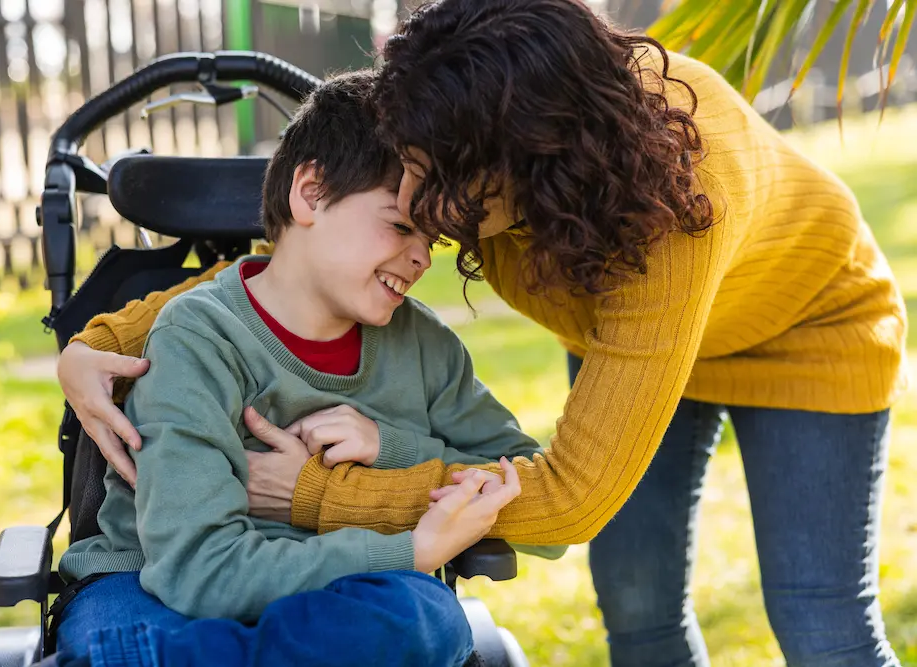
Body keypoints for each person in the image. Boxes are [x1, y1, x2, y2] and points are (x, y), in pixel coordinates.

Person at [58, 1, 906, 665]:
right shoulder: (477, 169)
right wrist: (97, 339)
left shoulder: (667, 215)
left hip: (806, 332)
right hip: (635, 344)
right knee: (641, 610)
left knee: (821, 623)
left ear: (525, 163)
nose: (424, 219)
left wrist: (331, 491)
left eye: (433, 181)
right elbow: (275, 275)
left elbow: (566, 500)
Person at [50, 70, 544, 667]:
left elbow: (540, 502)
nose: (419, 258)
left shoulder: (426, 348)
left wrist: (391, 448)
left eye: (433, 240)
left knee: (424, 620)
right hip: (155, 583)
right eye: (400, 224)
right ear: (310, 192)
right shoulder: (199, 337)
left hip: (342, 591)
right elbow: (198, 570)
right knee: (123, 646)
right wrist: (407, 553)